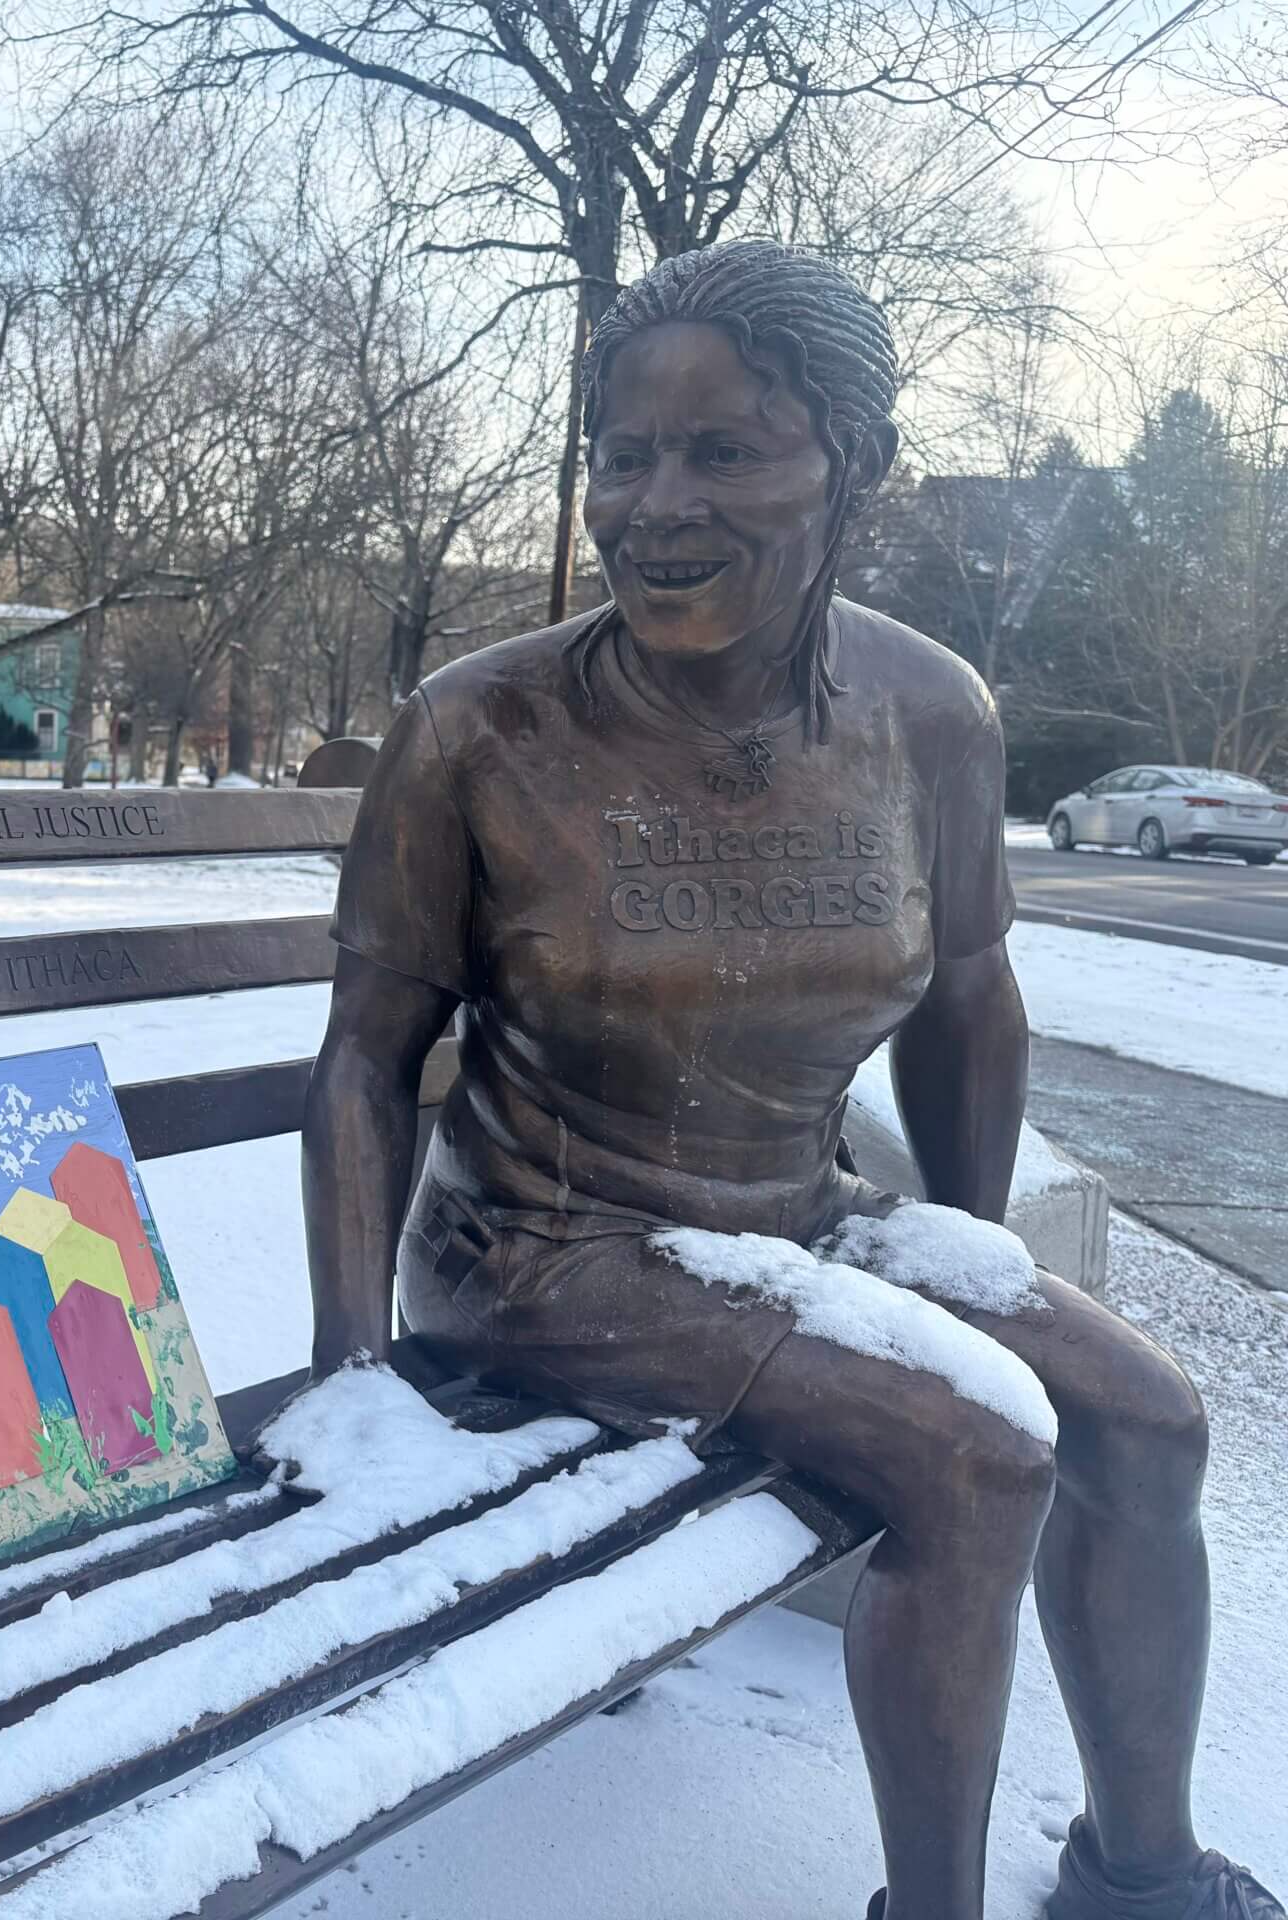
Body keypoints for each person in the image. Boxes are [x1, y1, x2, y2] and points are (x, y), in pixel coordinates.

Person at [302, 238, 1275, 1920]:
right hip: (540, 1255)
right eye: (625, 455)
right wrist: (350, 1368)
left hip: (798, 1214)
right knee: (972, 1452)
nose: (657, 506)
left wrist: (971, 1260)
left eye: (726, 451)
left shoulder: (928, 713)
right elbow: (365, 1060)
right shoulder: (480, 729)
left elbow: (967, 999)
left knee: (1147, 1417)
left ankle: (1142, 1872)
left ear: (854, 465)